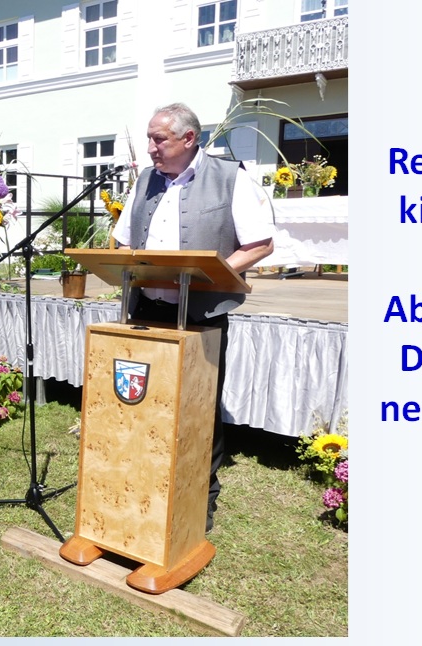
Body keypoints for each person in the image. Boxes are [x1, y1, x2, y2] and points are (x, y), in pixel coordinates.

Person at [111, 102, 275, 534]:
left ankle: (201, 497)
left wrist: (211, 275)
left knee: (199, 407)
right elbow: (122, 242)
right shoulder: (144, 181)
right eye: (149, 138)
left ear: (189, 138)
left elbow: (260, 243)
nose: (151, 148)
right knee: (146, 402)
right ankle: (145, 483)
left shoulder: (230, 178)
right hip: (146, 310)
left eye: (159, 139)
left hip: (201, 312)